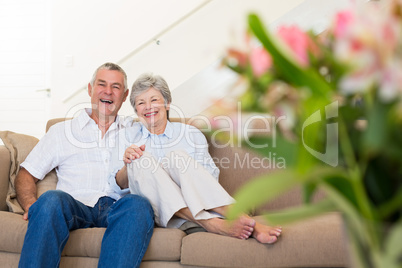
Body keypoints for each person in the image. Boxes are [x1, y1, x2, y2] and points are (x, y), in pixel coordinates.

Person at [111, 73, 282, 243]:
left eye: (154, 100)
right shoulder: (127, 136)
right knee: (140, 160)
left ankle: (238, 218)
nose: (148, 107)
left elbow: (208, 179)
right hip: (164, 214)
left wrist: (170, 182)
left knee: (176, 157)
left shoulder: (189, 133)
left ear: (167, 103)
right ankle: (213, 224)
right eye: (141, 103)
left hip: (202, 206)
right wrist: (129, 164)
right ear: (136, 110)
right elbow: (118, 187)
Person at [15, 63, 155, 268]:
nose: (108, 91)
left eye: (116, 87)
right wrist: (31, 206)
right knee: (50, 199)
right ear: (90, 89)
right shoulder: (62, 131)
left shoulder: (137, 131)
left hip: (117, 207)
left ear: (125, 96)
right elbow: (26, 174)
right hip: (74, 205)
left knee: (139, 204)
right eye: (102, 84)